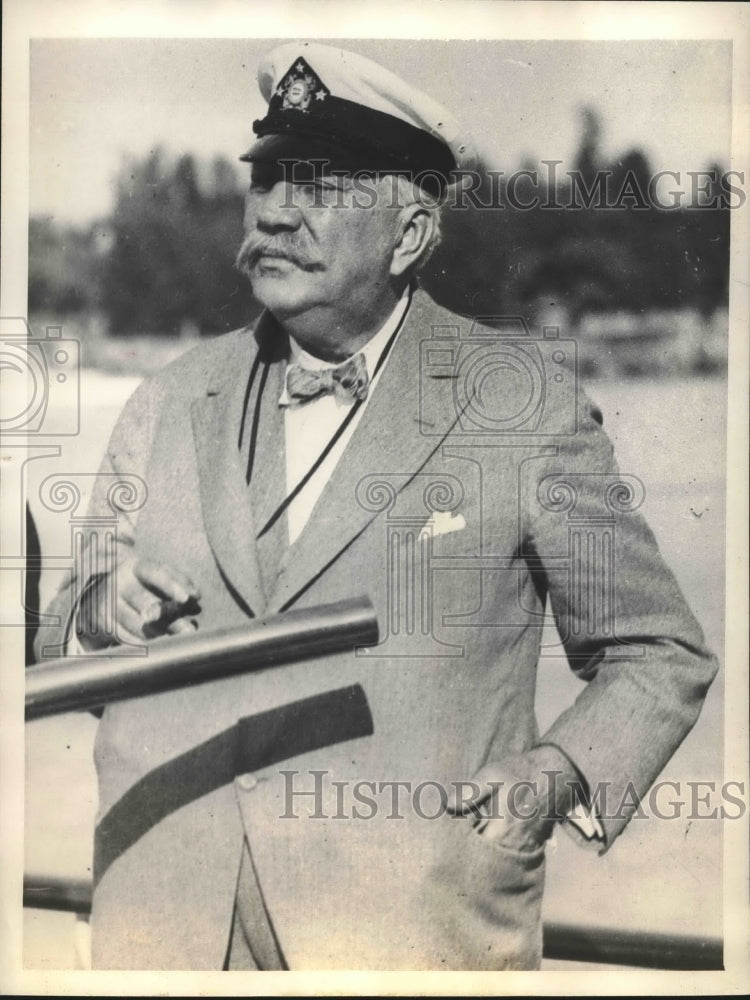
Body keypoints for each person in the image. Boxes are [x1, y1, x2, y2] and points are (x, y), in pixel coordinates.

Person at [35, 41, 718, 971]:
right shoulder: (166, 397)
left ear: (408, 236)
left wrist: (553, 781)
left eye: (317, 187)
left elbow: (656, 650)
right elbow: (58, 637)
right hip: (162, 926)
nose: (274, 211)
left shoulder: (520, 402)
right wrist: (97, 613)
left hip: (409, 933)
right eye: (268, 178)